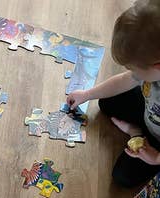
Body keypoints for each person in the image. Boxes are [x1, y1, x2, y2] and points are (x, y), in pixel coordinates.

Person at [67, 0, 160, 188]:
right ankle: (138, 131)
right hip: (150, 114)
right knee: (107, 102)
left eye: (135, 70)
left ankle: (137, 133)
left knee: (122, 177)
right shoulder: (151, 67)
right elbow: (126, 80)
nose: (132, 73)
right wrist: (86, 94)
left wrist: (157, 158)